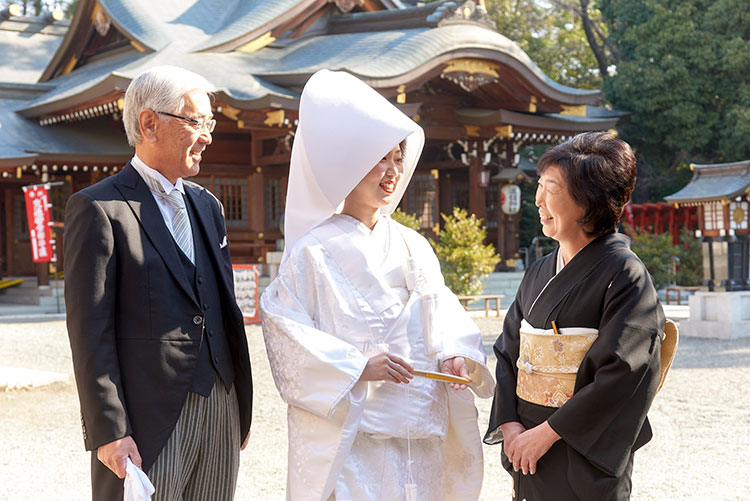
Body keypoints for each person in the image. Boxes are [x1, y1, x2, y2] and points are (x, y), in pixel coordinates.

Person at [260, 69, 495, 500]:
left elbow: (442, 314)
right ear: (348, 164)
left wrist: (457, 356)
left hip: (421, 432)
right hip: (356, 437)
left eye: (397, 158)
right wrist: (354, 367)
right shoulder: (311, 252)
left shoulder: (413, 244)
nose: (392, 171)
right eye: (379, 159)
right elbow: (285, 332)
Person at [64, 65, 253, 501]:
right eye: (195, 122)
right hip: (149, 418)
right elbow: (90, 333)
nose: (207, 135)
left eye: (210, 123)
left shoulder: (208, 206)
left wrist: (238, 402)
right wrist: (109, 430)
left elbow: (221, 308)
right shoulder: (99, 209)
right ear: (149, 123)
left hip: (221, 404)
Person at [484, 132, 665, 500]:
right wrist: (511, 426)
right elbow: (508, 352)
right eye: (540, 185)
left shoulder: (625, 274)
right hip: (527, 450)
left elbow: (624, 372)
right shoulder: (538, 272)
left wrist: (547, 433)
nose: (538, 200)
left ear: (588, 202)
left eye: (551, 188)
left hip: (580, 451)